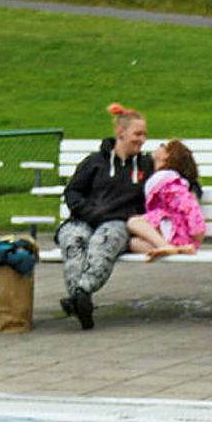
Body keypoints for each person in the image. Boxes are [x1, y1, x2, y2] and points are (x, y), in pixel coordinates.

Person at [57, 103, 153, 330]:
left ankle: (80, 294)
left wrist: (192, 185)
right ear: (121, 133)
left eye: (144, 134)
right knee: (72, 240)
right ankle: (81, 301)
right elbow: (73, 191)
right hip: (85, 219)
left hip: (119, 222)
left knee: (103, 244)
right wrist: (87, 212)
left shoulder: (147, 165)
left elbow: (172, 177)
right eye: (137, 134)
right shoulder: (94, 162)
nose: (142, 139)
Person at [128, 139, 203, 259]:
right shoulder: (161, 180)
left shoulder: (170, 183)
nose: (158, 147)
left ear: (167, 156)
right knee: (132, 243)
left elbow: (190, 207)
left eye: (162, 146)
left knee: (134, 222)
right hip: (167, 230)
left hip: (174, 229)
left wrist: (197, 233)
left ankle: (165, 246)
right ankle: (176, 250)